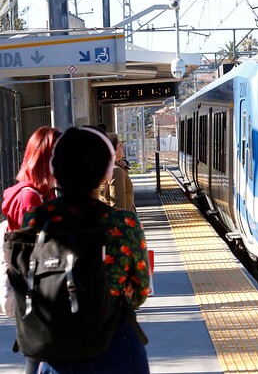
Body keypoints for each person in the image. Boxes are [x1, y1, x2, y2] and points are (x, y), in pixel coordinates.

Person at [21, 126, 151, 374]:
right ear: (106, 173)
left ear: (54, 169)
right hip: (116, 346)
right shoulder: (123, 225)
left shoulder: (36, 220)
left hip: (55, 345)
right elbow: (140, 293)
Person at [1, 126, 60, 374]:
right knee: (39, 357)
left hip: (37, 290)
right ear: (47, 158)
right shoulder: (30, 198)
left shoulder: (37, 193)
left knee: (39, 357)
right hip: (35, 292)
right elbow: (37, 251)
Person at [101, 132, 136, 213]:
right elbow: (118, 206)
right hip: (121, 221)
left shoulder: (106, 167)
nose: (122, 148)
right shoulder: (116, 171)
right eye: (120, 145)